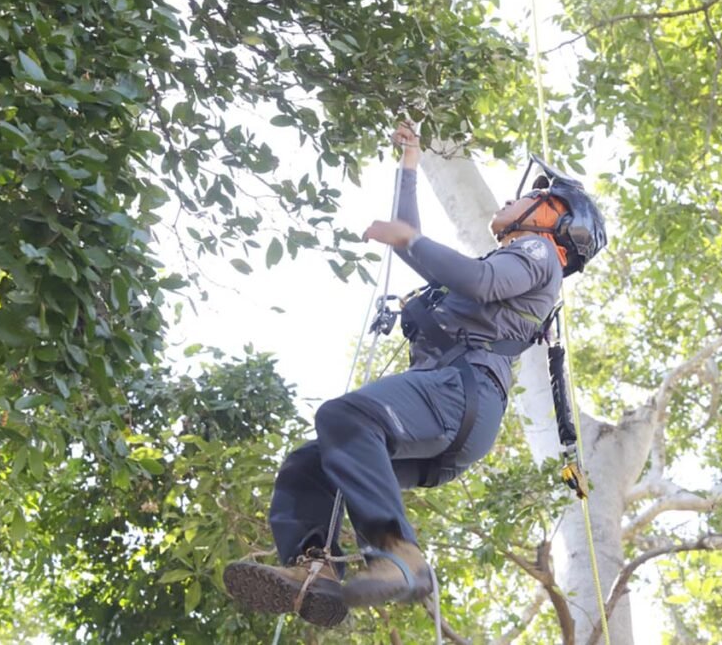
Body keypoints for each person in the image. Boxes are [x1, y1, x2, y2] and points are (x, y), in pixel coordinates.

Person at [223, 125, 606, 627]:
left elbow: (476, 278)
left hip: (459, 392)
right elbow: (412, 244)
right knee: (313, 464)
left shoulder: (537, 254)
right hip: (451, 413)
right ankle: (314, 570)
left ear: (556, 219)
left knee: (347, 417)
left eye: (533, 196)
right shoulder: (522, 260)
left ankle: (397, 555)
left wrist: (412, 239)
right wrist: (409, 164)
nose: (517, 199)